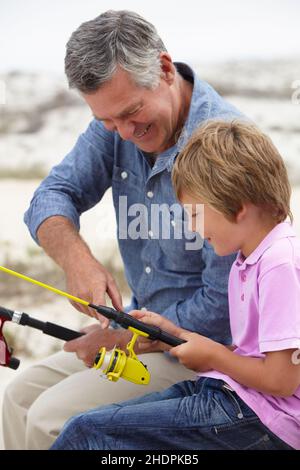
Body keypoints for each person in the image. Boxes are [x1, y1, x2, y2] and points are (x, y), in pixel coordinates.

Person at [2, 11, 243, 450]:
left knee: (48, 420)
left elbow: (225, 304)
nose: (125, 133)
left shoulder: (224, 145)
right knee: (18, 398)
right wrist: (78, 261)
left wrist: (125, 336)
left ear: (165, 70)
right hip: (137, 334)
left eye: (132, 114)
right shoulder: (114, 123)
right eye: (109, 122)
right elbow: (52, 195)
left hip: (205, 355)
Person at [51, 120, 300, 450]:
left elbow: (282, 380)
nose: (194, 228)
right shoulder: (249, 259)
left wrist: (213, 354)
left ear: (238, 206)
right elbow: (255, 358)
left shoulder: (280, 261)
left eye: (195, 215)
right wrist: (174, 337)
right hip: (233, 396)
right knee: (91, 425)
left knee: (87, 433)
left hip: (264, 420)